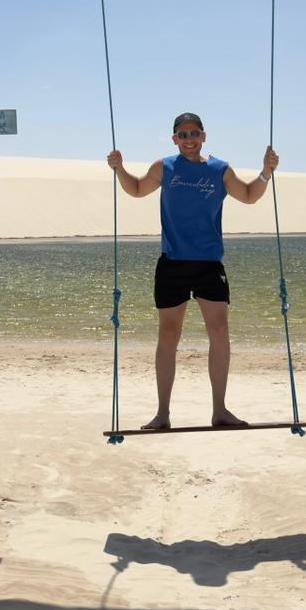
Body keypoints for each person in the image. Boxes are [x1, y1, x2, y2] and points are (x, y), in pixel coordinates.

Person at [107, 112, 279, 431]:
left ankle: (220, 411)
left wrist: (266, 172)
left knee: (220, 333)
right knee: (169, 336)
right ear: (174, 139)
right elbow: (136, 189)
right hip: (172, 263)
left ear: (204, 136)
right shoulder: (165, 166)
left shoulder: (220, 169)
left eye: (194, 134)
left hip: (209, 264)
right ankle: (162, 414)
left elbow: (249, 195)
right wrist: (119, 169)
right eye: (182, 135)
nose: (189, 140)